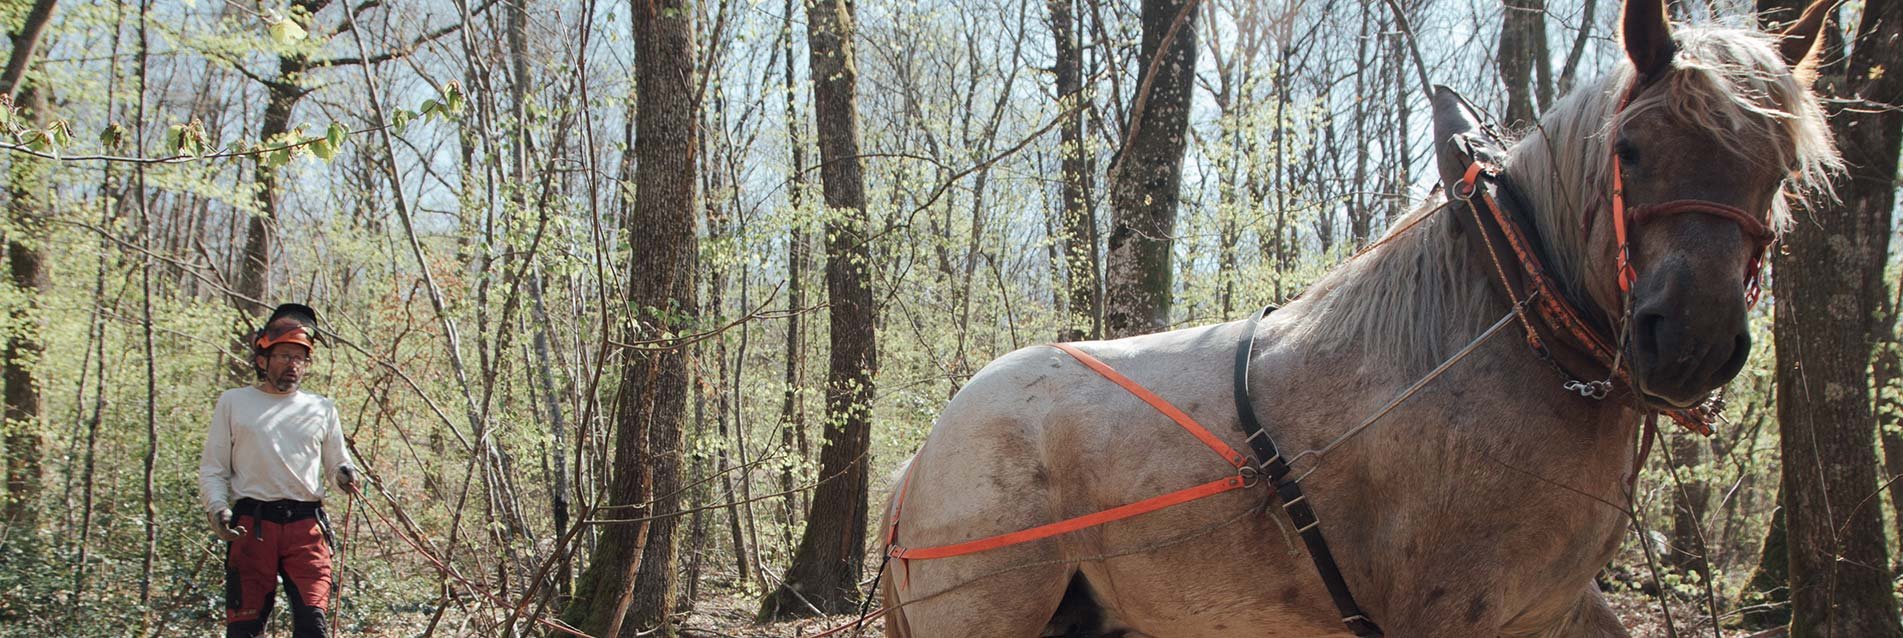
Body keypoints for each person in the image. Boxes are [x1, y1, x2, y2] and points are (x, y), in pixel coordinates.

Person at [199, 303, 359, 638]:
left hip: (306, 526)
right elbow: (213, 468)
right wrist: (217, 509)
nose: (293, 364)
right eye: (285, 356)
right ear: (262, 360)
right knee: (243, 629)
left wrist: (347, 476)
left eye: (300, 357)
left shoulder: (322, 408)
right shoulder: (234, 402)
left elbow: (337, 466)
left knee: (313, 627)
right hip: (251, 524)